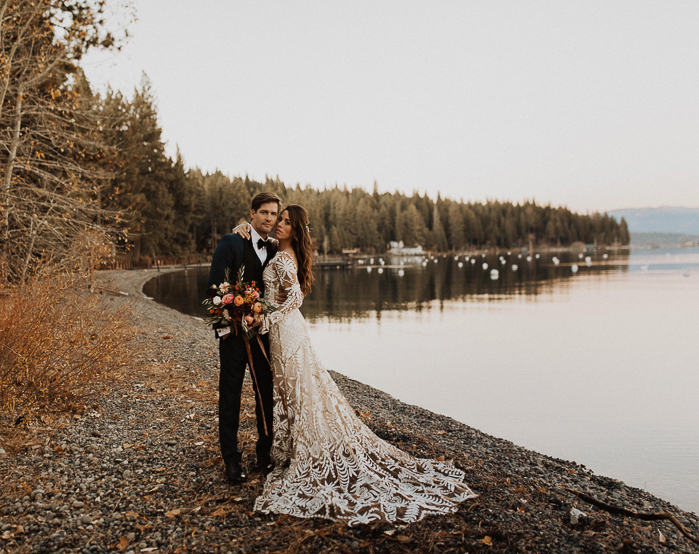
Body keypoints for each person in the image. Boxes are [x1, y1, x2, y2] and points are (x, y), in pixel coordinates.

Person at [234, 205, 476, 525]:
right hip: (285, 332)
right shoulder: (281, 252)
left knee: (299, 391)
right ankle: (295, 448)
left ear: (297, 230)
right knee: (296, 391)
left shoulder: (283, 258)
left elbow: (295, 299)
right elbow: (281, 288)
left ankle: (306, 452)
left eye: (286, 222)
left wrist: (268, 320)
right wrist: (244, 228)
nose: (279, 225)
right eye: (279, 220)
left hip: (285, 331)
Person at [207, 192, 281, 484]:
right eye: (264, 212)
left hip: (264, 335)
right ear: (252, 214)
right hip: (234, 335)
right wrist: (230, 322)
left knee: (266, 394)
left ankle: (264, 454)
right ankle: (231, 460)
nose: (269, 218)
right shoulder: (233, 242)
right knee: (231, 394)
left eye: (273, 214)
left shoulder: (276, 250)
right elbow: (214, 289)